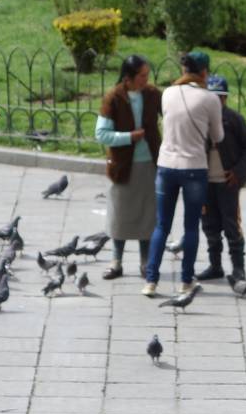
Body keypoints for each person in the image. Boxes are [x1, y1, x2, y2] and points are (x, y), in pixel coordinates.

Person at [144, 51, 224, 298]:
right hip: (194, 167)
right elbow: (218, 136)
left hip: (166, 166)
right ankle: (186, 281)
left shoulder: (168, 93)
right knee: (190, 226)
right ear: (204, 73)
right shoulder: (209, 99)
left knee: (161, 226)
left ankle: (151, 281)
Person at [95, 55, 161, 280]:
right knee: (120, 216)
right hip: (123, 166)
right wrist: (128, 137)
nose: (146, 80)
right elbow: (101, 134)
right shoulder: (114, 97)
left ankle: (145, 262)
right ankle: (116, 261)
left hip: (149, 163)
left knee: (147, 215)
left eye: (147, 75)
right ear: (129, 77)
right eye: (142, 75)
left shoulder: (153, 95)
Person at [196, 75, 246, 283]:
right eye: (213, 97)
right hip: (206, 182)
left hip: (227, 183)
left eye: (221, 97)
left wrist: (238, 172)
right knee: (209, 225)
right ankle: (215, 265)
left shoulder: (233, 119)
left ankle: (238, 268)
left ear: (225, 99)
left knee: (231, 225)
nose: (217, 101)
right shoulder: (200, 119)